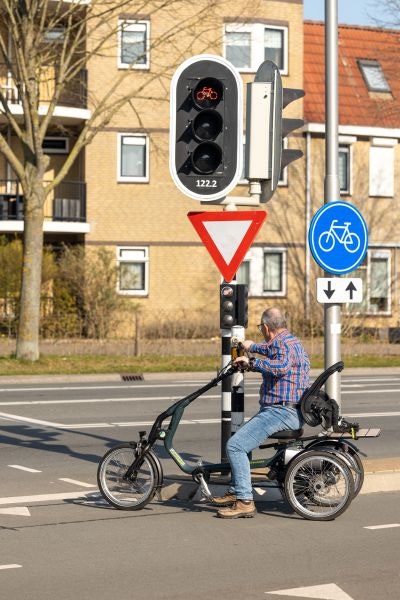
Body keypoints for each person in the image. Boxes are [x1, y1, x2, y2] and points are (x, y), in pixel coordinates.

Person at [213, 307, 310, 519]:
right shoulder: (291, 341)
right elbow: (272, 350)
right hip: (287, 409)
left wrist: (252, 362)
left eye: (261, 328)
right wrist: (253, 347)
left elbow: (281, 365)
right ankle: (237, 489)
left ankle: (245, 501)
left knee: (235, 445)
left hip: (281, 411)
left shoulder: (283, 345)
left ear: (266, 327)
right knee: (242, 440)